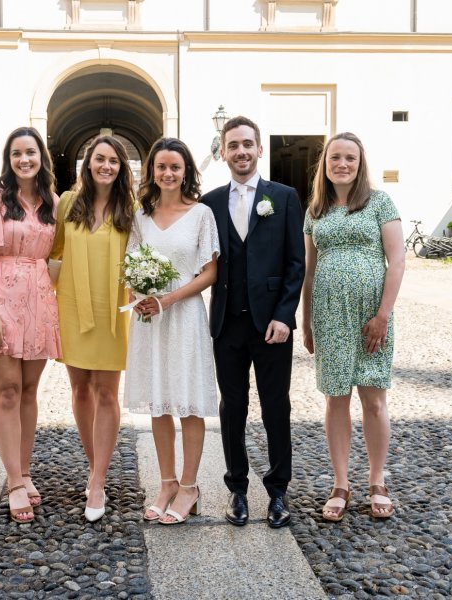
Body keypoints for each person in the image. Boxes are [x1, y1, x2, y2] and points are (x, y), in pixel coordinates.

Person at [201, 116, 305, 529]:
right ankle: (237, 489)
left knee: (276, 407)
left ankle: (278, 492)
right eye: (233, 145)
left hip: (272, 326)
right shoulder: (209, 203)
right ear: (223, 152)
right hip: (227, 323)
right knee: (232, 408)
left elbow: (296, 264)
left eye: (248, 144)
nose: (241, 151)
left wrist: (284, 317)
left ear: (260, 149)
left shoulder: (284, 197)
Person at [301, 132, 404, 521]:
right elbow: (310, 270)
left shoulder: (379, 202)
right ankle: (341, 483)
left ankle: (377, 479)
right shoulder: (315, 210)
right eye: (335, 158)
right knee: (336, 397)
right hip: (329, 316)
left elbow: (396, 261)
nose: (342, 164)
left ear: (360, 165)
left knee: (374, 399)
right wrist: (306, 319)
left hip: (370, 316)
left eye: (350, 158)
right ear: (324, 164)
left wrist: (383, 315)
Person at [124, 137, 219, 525]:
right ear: (152, 172)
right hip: (148, 319)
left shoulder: (201, 214)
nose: (167, 173)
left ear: (186, 172)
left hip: (184, 318)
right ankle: (165, 484)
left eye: (175, 167)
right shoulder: (139, 217)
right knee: (159, 401)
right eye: (161, 167)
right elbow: (129, 265)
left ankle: (190, 487)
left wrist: (170, 298)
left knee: (187, 401)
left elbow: (210, 272)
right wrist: (138, 294)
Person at [0, 126, 61, 524]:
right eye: (16, 153)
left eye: (30, 152)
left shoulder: (52, 202)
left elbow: (56, 258)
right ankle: (13, 481)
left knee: (27, 391)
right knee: (6, 391)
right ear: (8, 159)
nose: (24, 159)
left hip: (39, 302)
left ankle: (24, 469)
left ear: (41, 157)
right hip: (0, 301)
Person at [50, 135, 135, 522]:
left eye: (113, 161)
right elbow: (52, 252)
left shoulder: (130, 209)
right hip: (72, 305)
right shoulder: (68, 203)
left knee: (106, 393)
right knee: (80, 388)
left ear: (121, 167)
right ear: (88, 163)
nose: (106, 166)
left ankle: (98, 481)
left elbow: (144, 255)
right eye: (99, 159)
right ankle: (94, 465)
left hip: (112, 309)